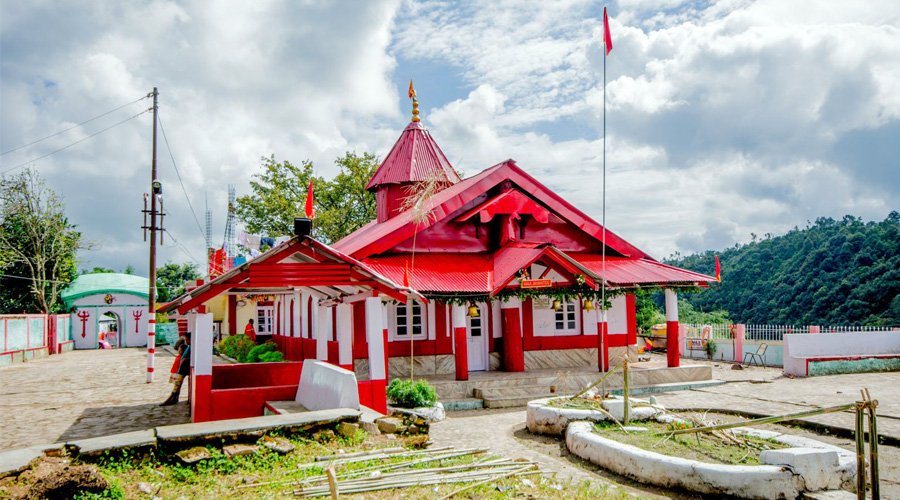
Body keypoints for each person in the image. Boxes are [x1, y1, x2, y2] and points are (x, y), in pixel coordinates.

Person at [161, 332, 191, 406]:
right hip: (182, 367)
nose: (186, 341)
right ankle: (175, 397)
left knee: (178, 383)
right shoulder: (188, 346)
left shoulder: (191, 347)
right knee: (177, 383)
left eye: (187, 340)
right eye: (185, 340)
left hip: (185, 368)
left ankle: (173, 397)